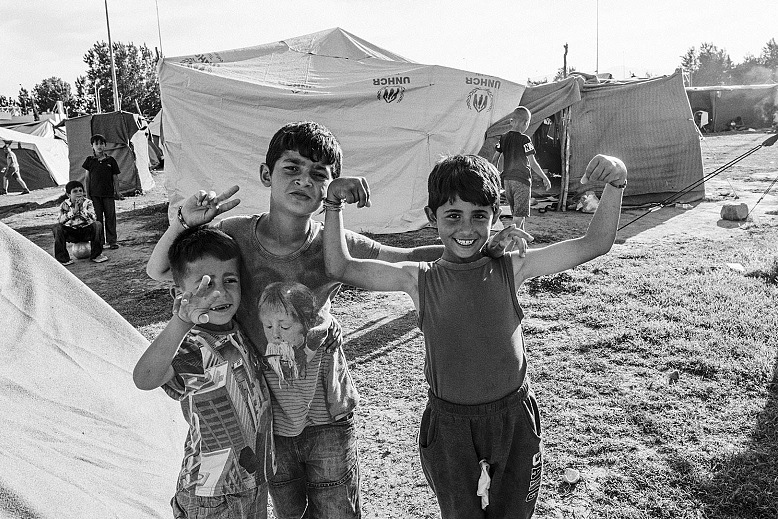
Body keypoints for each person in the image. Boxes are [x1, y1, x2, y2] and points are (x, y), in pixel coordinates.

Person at [146, 121, 446, 519]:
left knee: (338, 509)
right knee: (288, 511)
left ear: (331, 187)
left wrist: (471, 247)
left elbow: (404, 258)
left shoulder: (334, 244)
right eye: (293, 168)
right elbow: (161, 271)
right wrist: (184, 224)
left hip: (327, 414)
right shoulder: (234, 235)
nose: (305, 180)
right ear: (266, 175)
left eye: (319, 173)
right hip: (267, 418)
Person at [322, 153, 628, 519]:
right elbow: (340, 266)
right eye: (453, 215)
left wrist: (617, 182)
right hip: (450, 429)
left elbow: (594, 244)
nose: (466, 229)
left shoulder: (513, 267)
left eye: (479, 216)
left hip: (513, 421)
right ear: (430, 216)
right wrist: (332, 204)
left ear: (494, 217)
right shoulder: (417, 278)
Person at [134, 226, 274, 519]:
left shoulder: (238, 329)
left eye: (230, 280)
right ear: (179, 295)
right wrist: (180, 322)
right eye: (206, 284)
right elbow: (144, 378)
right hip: (211, 494)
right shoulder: (196, 346)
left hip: (250, 481)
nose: (220, 292)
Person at [495, 107, 551, 230]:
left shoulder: (503, 138)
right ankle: (508, 245)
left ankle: (522, 246)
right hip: (522, 181)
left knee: (519, 215)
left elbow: (495, 159)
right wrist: (545, 177)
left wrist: (496, 176)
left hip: (507, 181)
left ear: (511, 121)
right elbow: (532, 162)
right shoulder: (525, 139)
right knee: (518, 219)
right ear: (526, 123)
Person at [52, 180, 108, 265]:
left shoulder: (88, 202)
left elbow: (93, 218)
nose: (78, 193)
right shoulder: (64, 205)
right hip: (72, 233)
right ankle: (63, 258)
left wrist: (81, 210)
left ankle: (96, 255)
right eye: (75, 191)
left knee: (98, 225)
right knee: (57, 228)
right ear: (68, 195)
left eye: (80, 191)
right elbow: (60, 221)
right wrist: (73, 212)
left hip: (86, 231)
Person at [83, 134, 121, 250]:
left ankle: (112, 241)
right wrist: (87, 194)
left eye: (101, 143)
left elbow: (115, 178)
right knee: (97, 219)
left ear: (105, 145)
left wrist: (117, 192)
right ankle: (99, 242)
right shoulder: (90, 161)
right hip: (94, 195)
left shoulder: (111, 161)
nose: (99, 146)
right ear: (92, 146)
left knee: (110, 217)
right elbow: (87, 178)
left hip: (108, 194)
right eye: (96, 144)